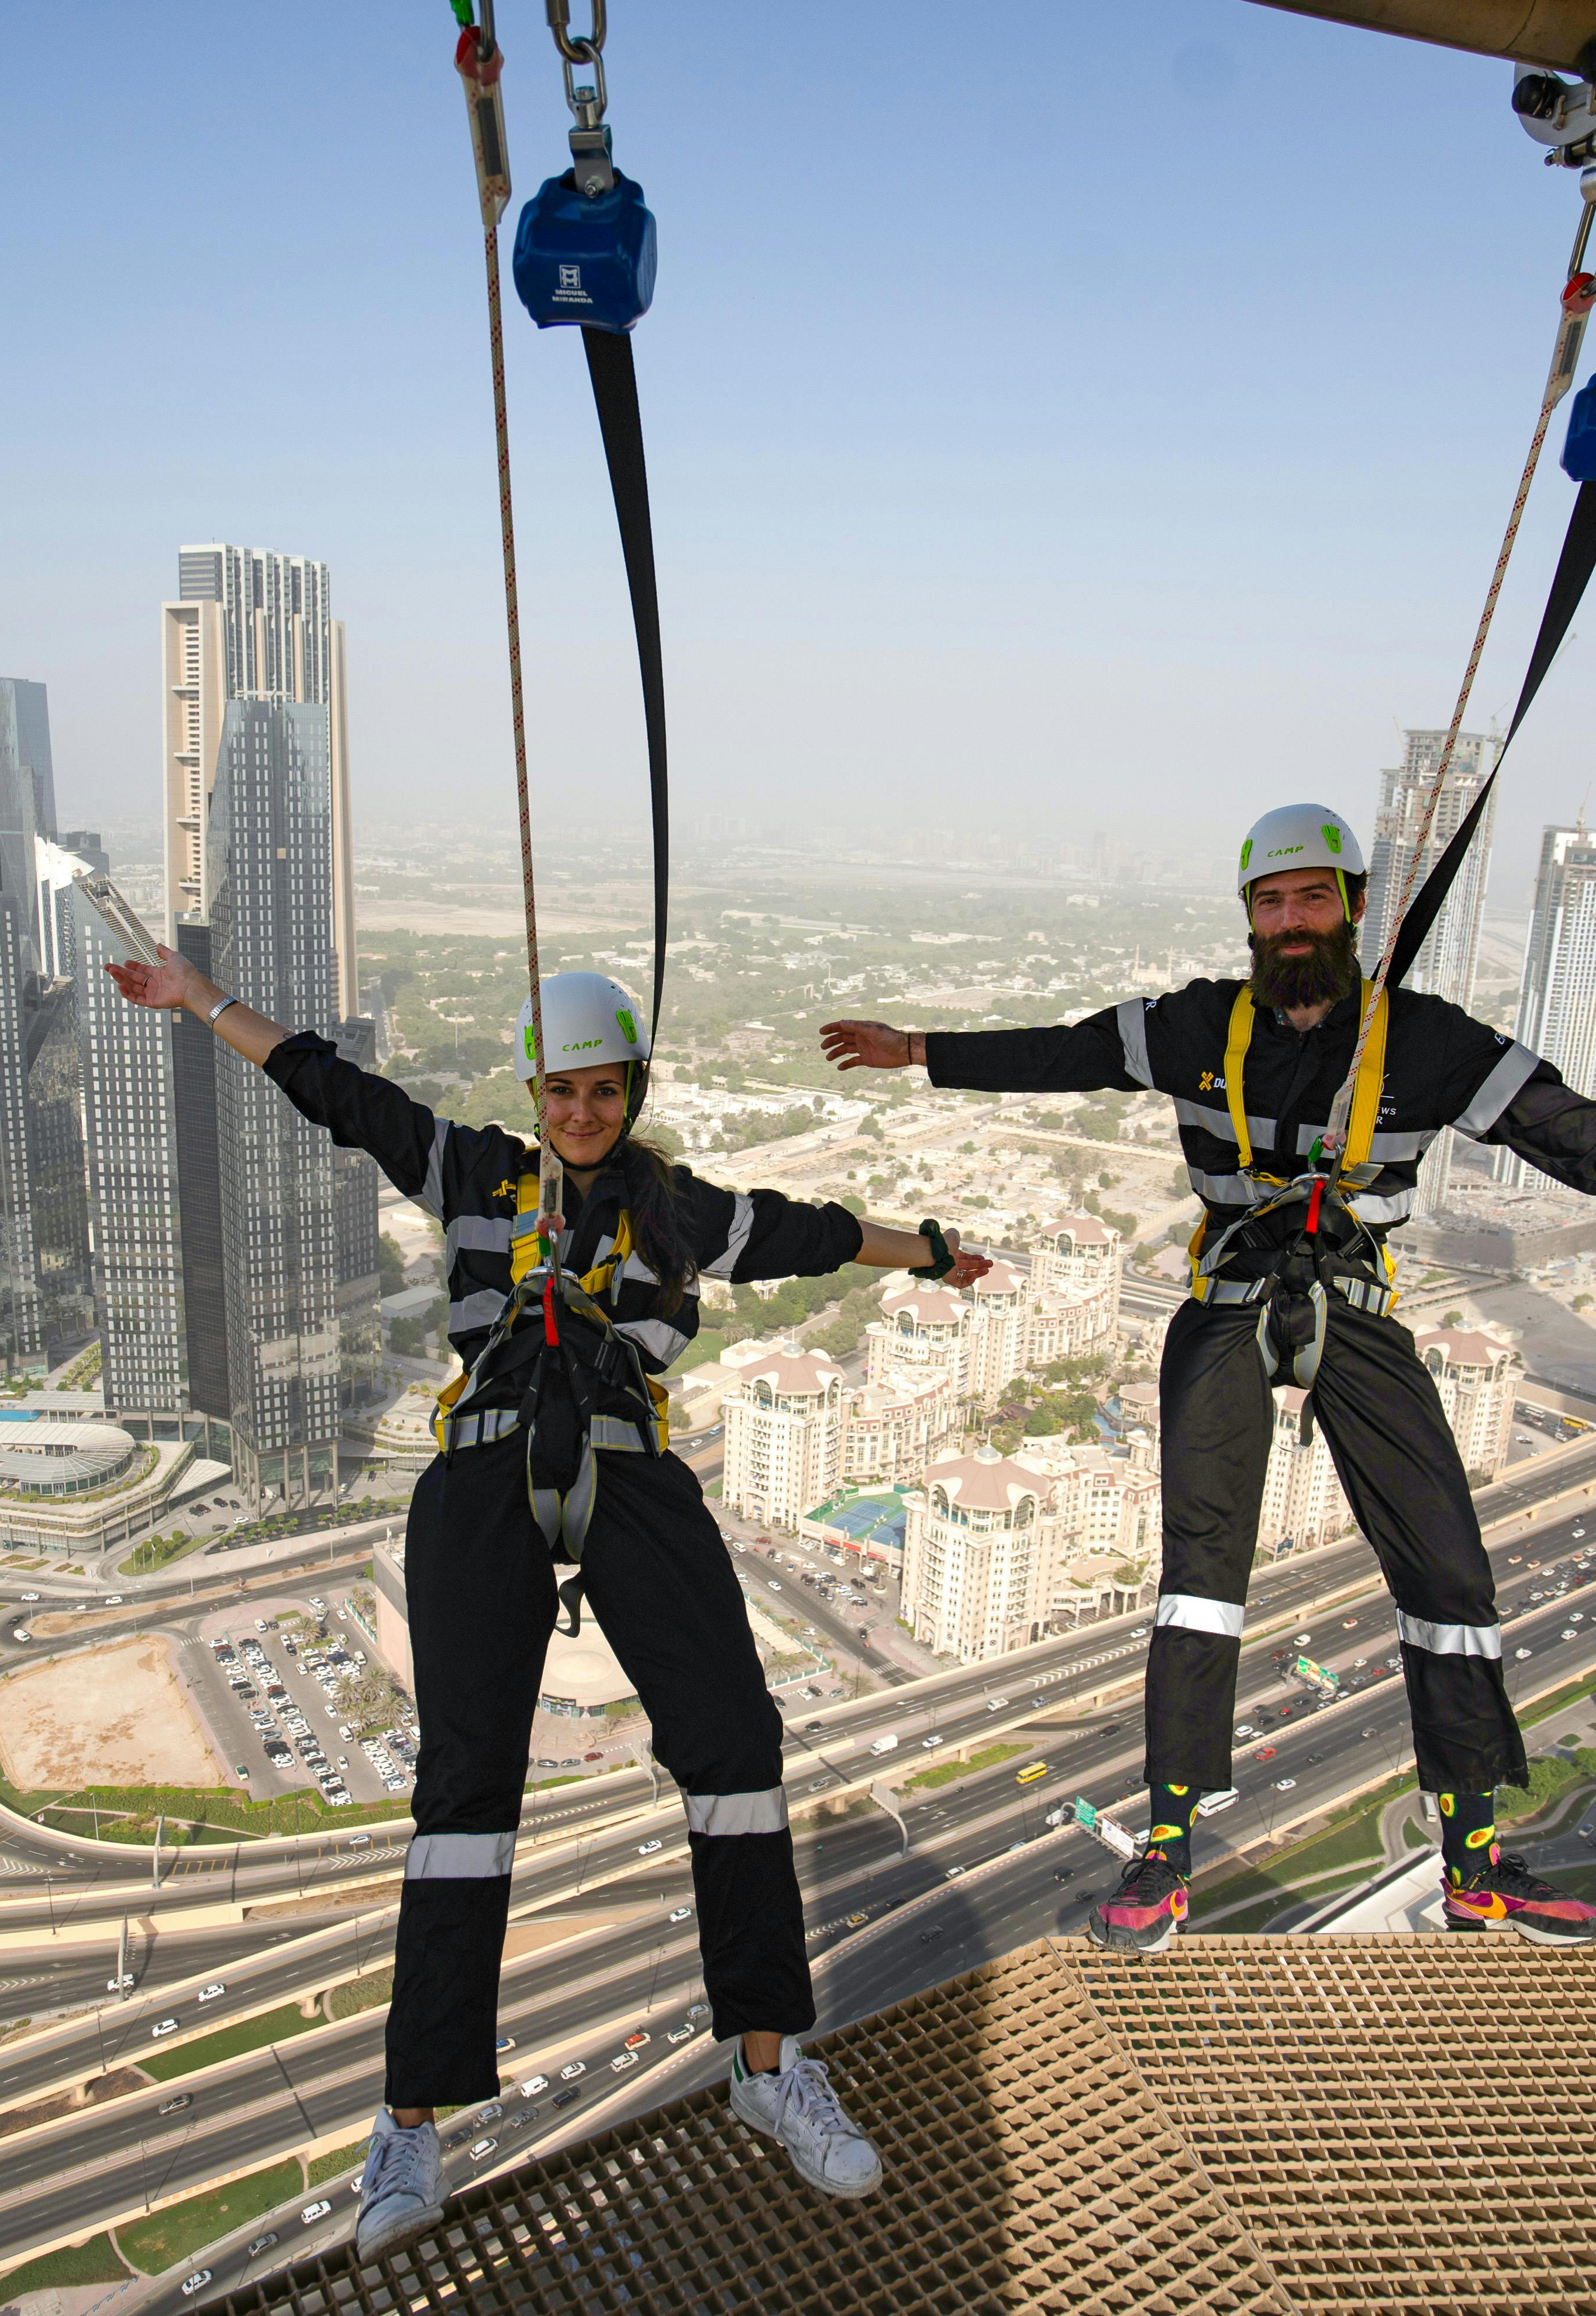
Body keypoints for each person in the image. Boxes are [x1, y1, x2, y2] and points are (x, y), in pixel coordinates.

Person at [822, 801, 1596, 1954]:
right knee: (1201, 1571)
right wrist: (920, 1052)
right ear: (1249, 921)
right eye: (1268, 902)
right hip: (1232, 1301)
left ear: (1348, 909)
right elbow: (1062, 1052)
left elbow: (1584, 1135)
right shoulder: (1192, 1025)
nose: (1289, 920)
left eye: (1310, 898)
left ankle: (1475, 1862)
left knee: (1448, 1569)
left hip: (1350, 1305)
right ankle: (1168, 1848)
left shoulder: (1427, 1041)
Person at [107, 947, 990, 2257]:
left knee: (737, 1747)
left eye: (602, 1088)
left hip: (631, 1471)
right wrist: (198, 1001)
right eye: (562, 1088)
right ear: (536, 1089)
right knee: (465, 1785)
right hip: (487, 1461)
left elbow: (818, 1229)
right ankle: (410, 2124)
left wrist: (937, 1251)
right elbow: (332, 1088)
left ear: (632, 1089)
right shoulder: (473, 1170)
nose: (581, 1110)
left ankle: (765, 2061)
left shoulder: (680, 1211)